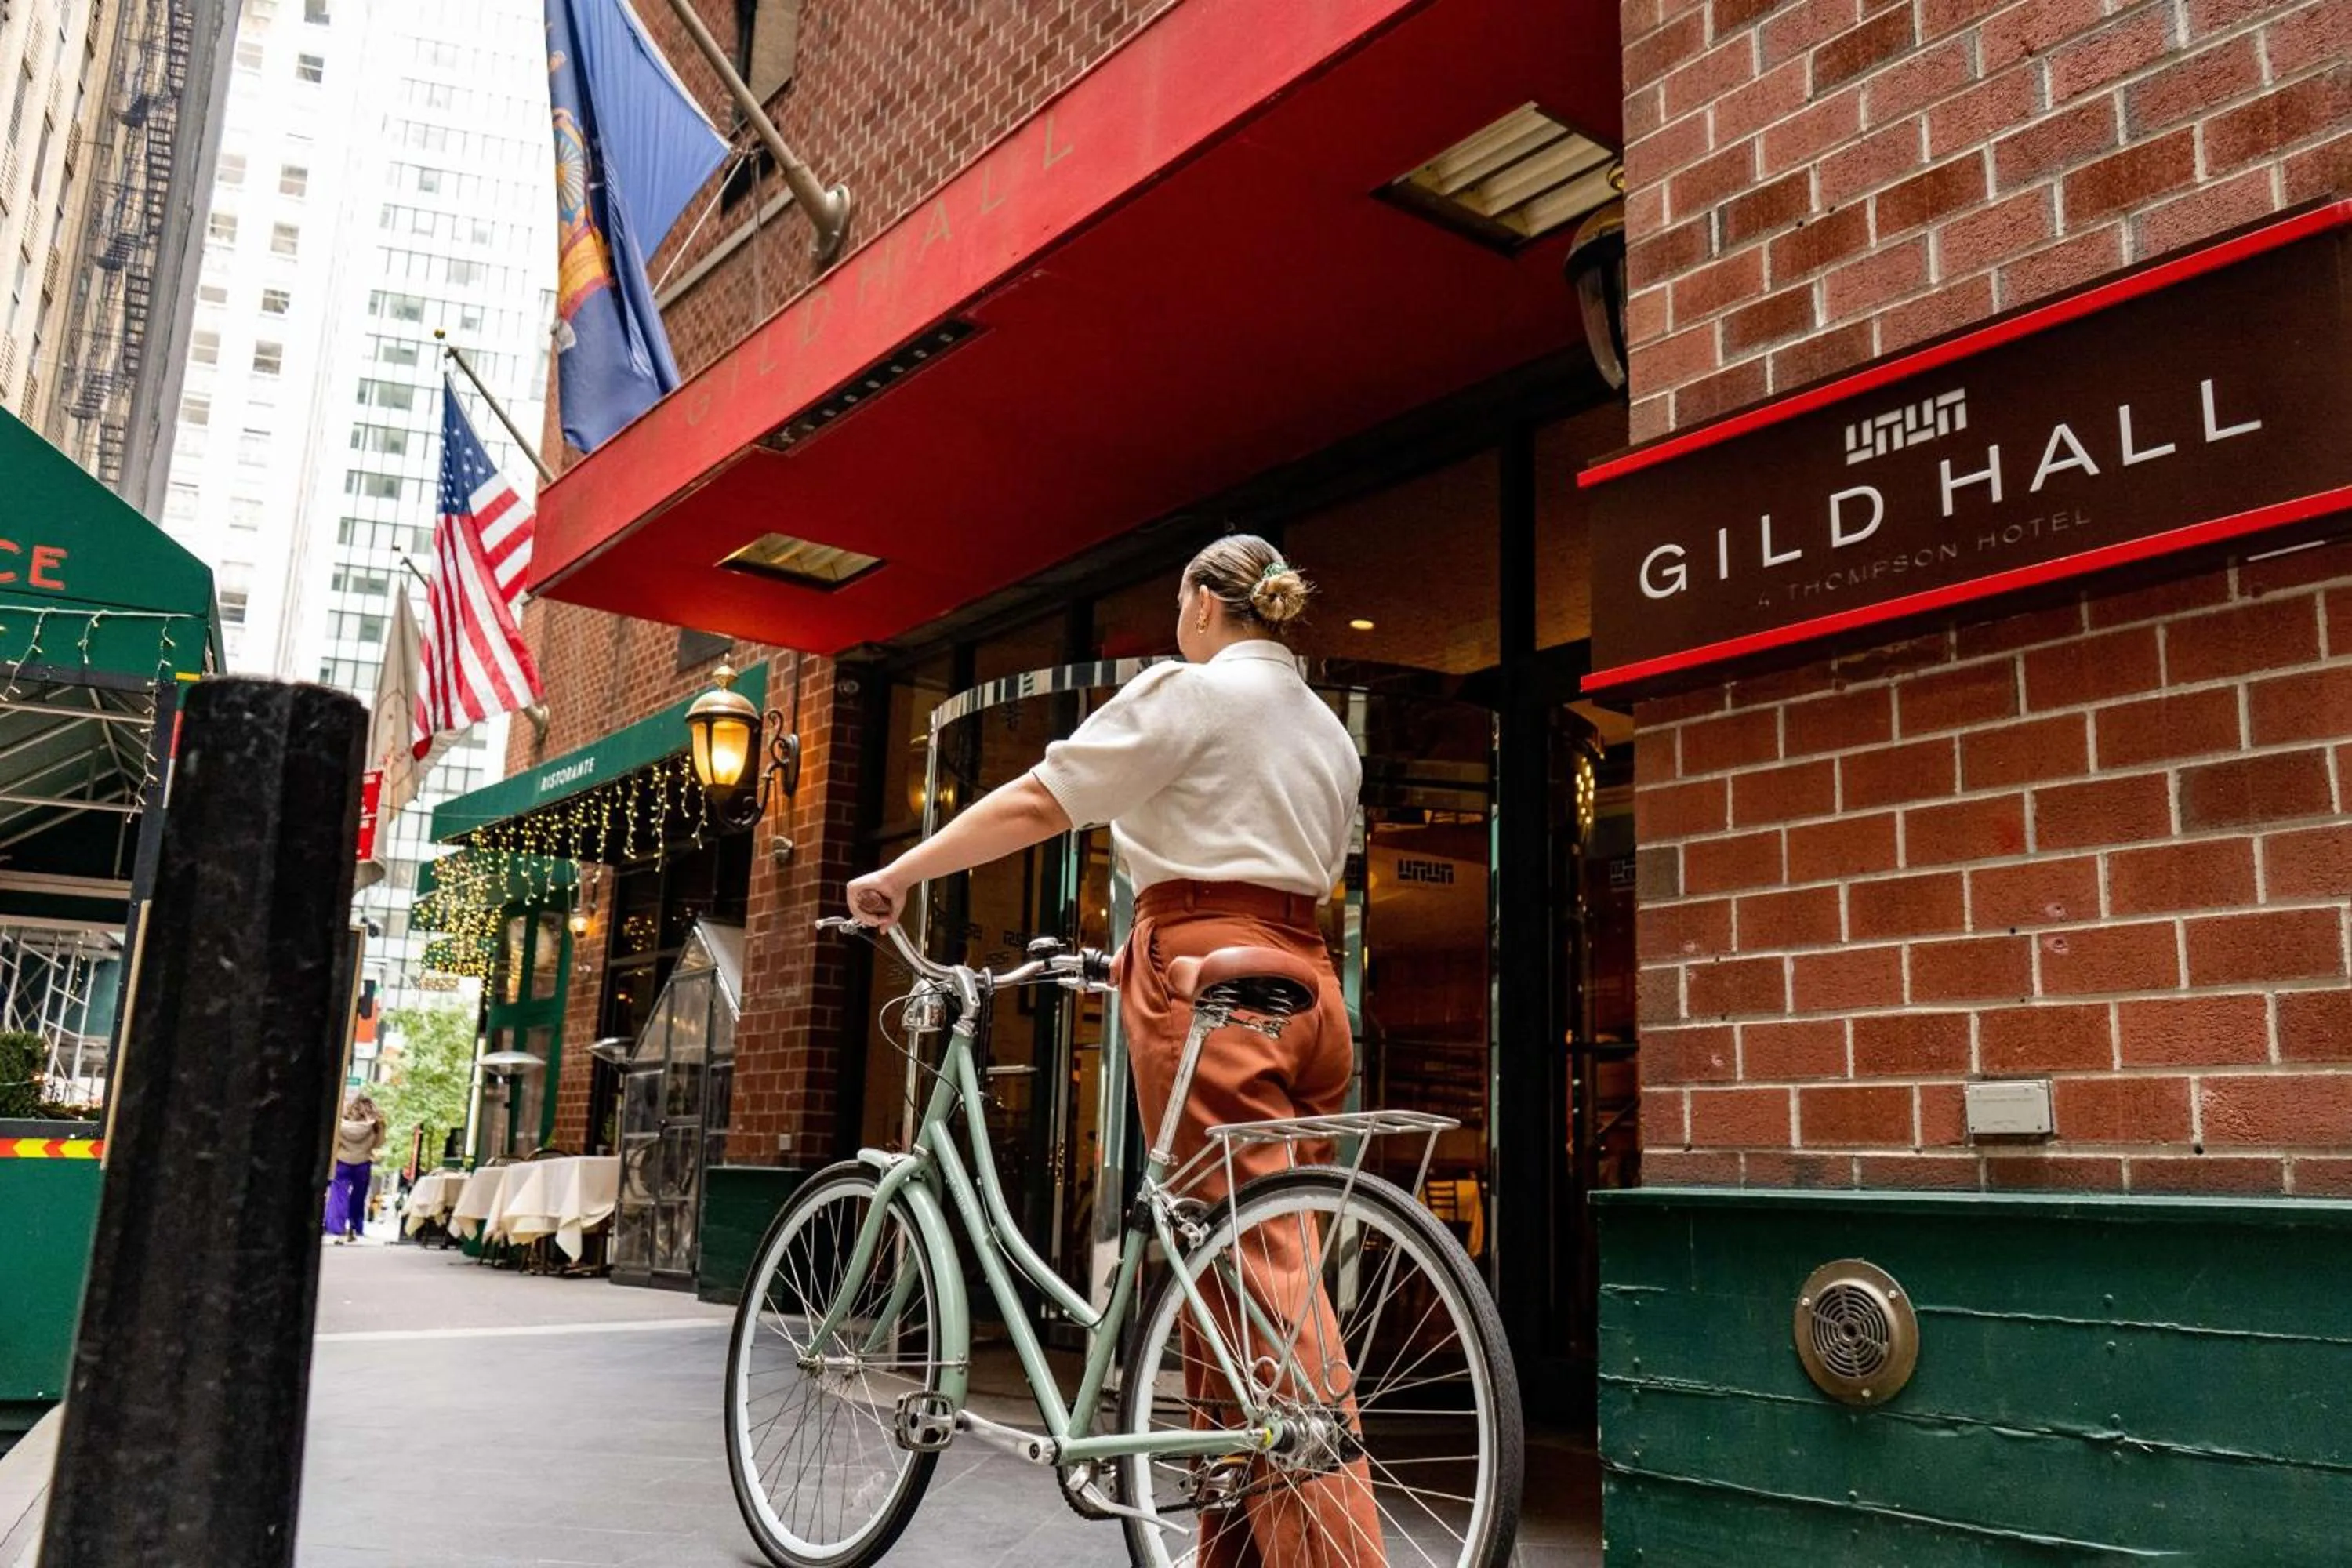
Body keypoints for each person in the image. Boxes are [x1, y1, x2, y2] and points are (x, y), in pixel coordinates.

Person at [848, 534, 1380, 1567]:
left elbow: (1046, 797)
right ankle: (1235, 1552)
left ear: (1201, 606)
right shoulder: (1324, 727)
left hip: (1207, 973)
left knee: (1263, 1287)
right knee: (1230, 1274)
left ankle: (1343, 1558)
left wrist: (901, 872)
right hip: (1311, 986)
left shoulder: (1189, 694)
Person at [324, 1091, 386, 1245]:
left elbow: (334, 1143)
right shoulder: (374, 1125)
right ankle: (354, 1226)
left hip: (342, 1162)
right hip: (363, 1163)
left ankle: (338, 1229)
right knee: (358, 1197)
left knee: (339, 1195)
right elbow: (378, 1144)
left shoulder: (340, 1124)